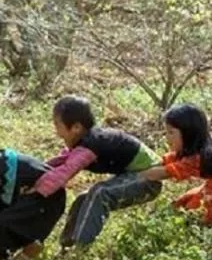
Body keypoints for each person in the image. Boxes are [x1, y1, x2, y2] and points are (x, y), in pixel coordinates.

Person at [40, 96, 162, 249]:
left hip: (150, 178)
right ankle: (67, 246)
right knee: (83, 199)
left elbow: (65, 173)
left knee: (100, 193)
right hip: (131, 175)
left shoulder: (91, 145)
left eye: (58, 125)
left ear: (76, 128)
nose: (57, 132)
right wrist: (35, 172)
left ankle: (80, 249)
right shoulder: (84, 142)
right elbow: (62, 161)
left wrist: (38, 189)